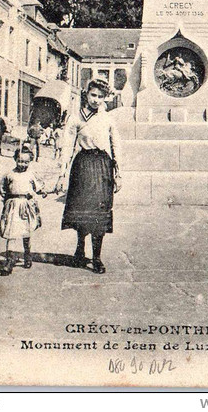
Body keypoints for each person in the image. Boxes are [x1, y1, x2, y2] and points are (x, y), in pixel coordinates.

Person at [58, 79, 121, 274]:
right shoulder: (76, 117)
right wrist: (62, 174)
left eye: (100, 97)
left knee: (99, 213)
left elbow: (116, 145)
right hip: (83, 166)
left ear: (105, 99)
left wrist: (118, 173)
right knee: (82, 210)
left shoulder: (108, 118)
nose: (96, 100)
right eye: (93, 95)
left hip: (102, 167)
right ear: (86, 94)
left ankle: (97, 258)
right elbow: (67, 145)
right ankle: (79, 248)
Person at [0, 147, 47, 276]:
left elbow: (38, 187)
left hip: (26, 205)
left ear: (30, 161)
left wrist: (42, 191)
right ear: (15, 159)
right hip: (13, 205)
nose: (22, 164)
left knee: (26, 232)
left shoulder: (31, 175)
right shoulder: (9, 175)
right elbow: (2, 189)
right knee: (11, 233)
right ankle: (9, 261)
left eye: (25, 162)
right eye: (20, 161)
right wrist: (7, 201)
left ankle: (27, 254)